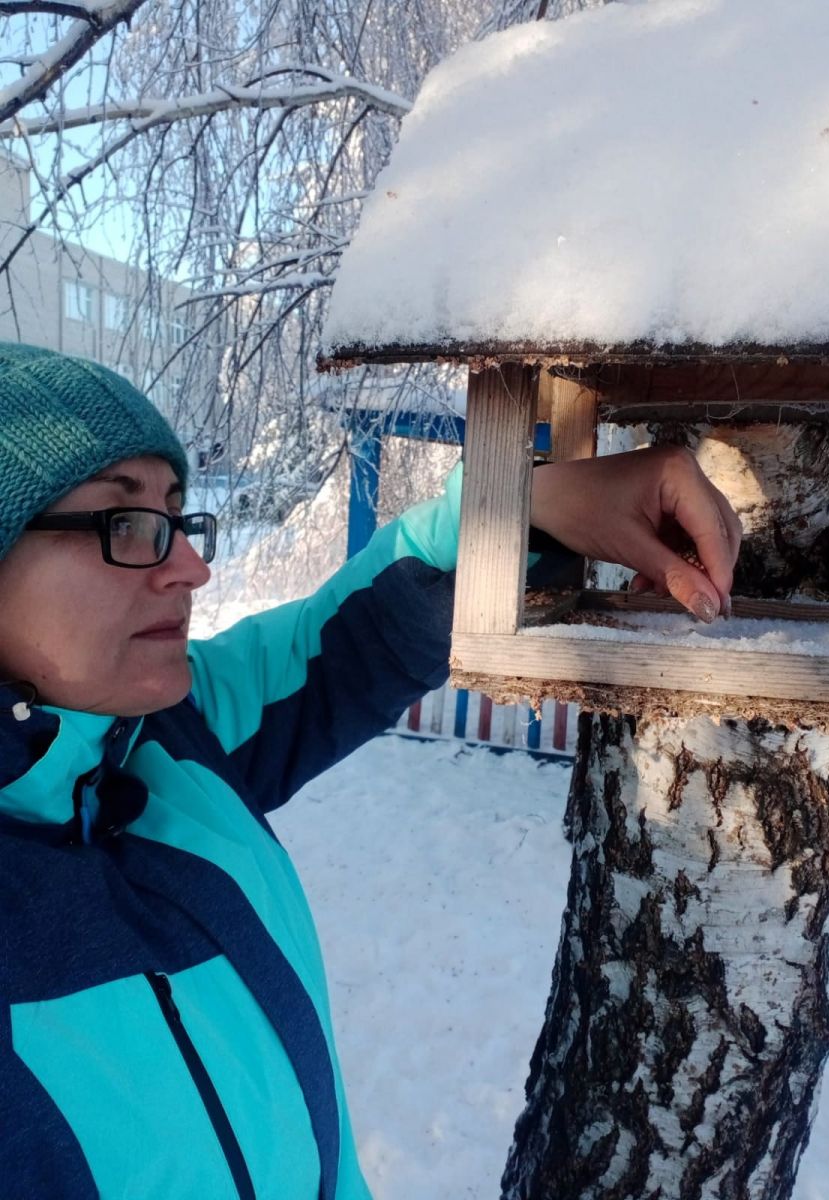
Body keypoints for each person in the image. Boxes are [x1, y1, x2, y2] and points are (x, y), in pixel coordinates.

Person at [0, 342, 740, 1199]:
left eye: (175, 514)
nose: (193, 568)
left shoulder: (163, 736)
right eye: (123, 523)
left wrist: (521, 511)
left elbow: (352, 635)